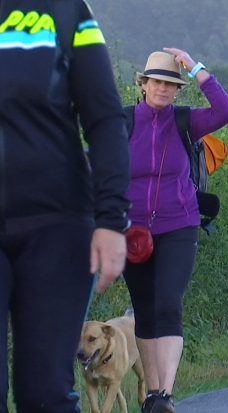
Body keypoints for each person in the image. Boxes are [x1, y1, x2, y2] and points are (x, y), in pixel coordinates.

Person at [0, 0, 130, 411]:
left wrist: (111, 220)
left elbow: (105, 117)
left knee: (44, 393)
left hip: (56, 226)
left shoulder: (64, 9)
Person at [123, 49, 228, 411]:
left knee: (168, 302)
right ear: (143, 84)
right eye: (157, 81)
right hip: (133, 231)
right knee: (144, 308)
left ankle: (165, 393)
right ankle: (152, 393)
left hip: (179, 224)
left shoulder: (186, 120)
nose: (163, 89)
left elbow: (226, 111)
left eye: (171, 84)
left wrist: (196, 67)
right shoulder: (123, 122)